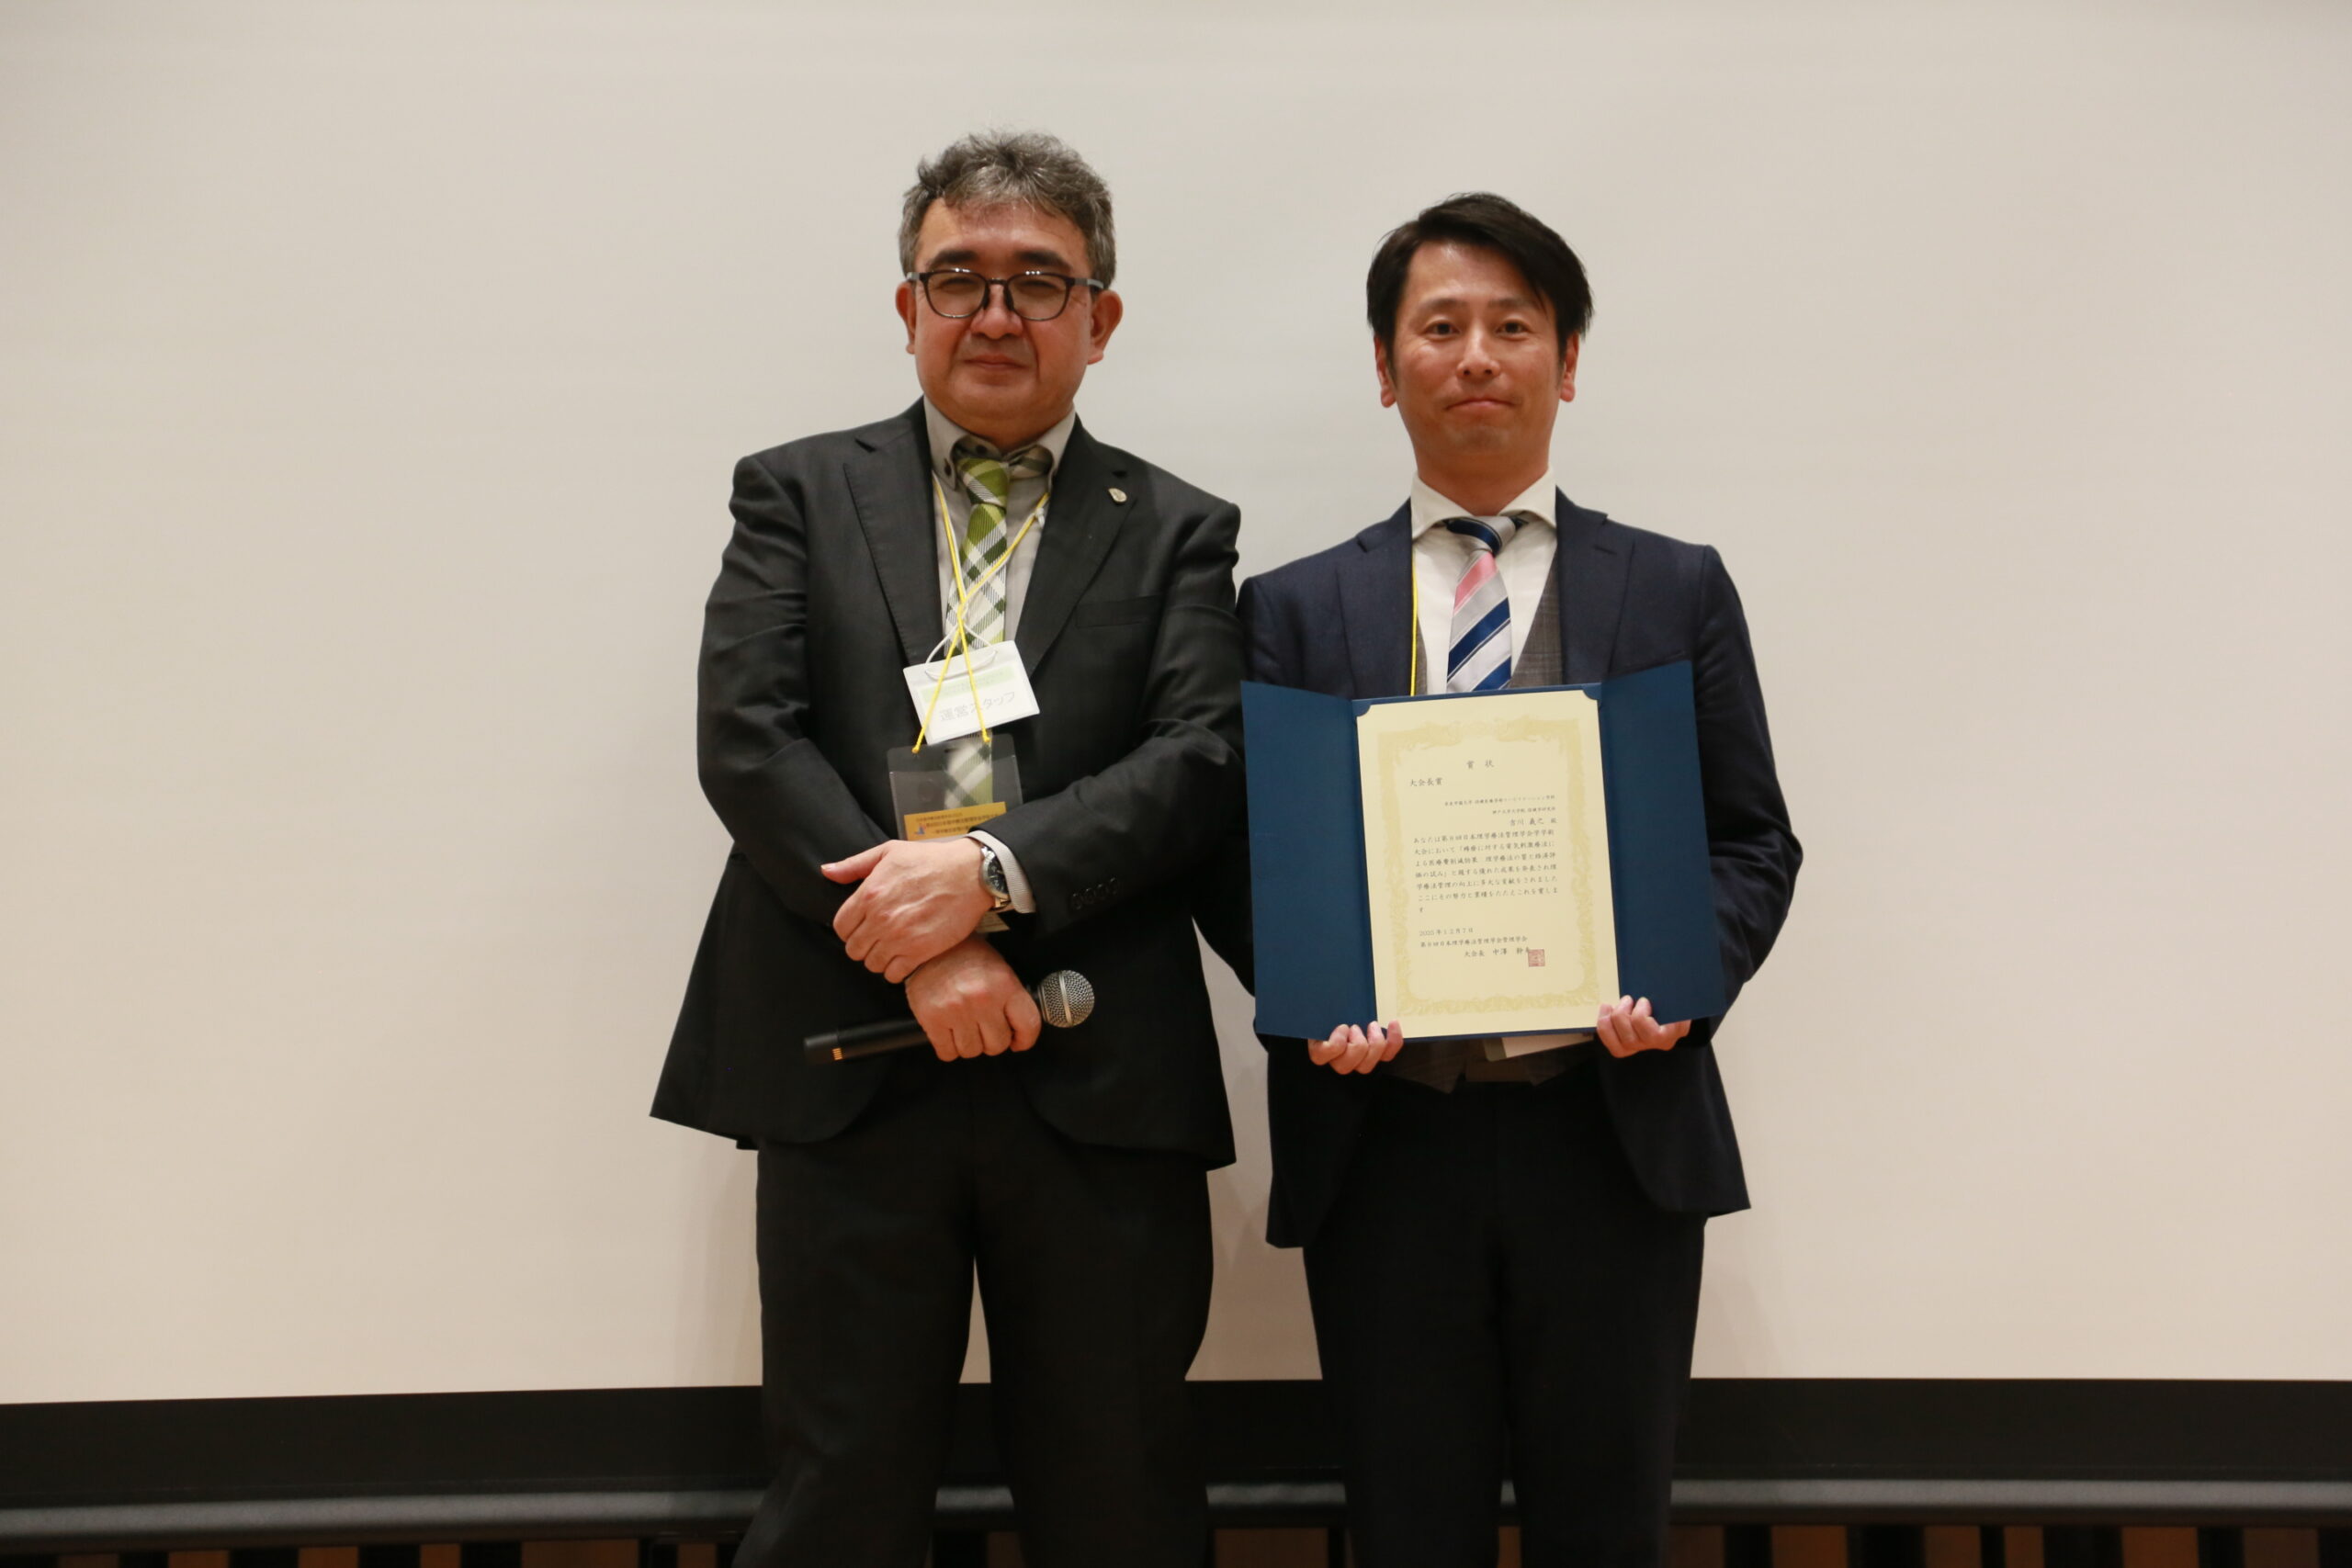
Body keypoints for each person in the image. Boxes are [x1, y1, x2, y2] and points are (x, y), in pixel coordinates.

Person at [652, 131, 1244, 1568]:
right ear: (906, 306)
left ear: (1101, 317)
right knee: (839, 1492)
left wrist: (982, 883)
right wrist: (922, 951)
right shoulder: (796, 492)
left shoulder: (1178, 529)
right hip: (849, 1057)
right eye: (957, 277)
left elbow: (1198, 758)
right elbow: (749, 738)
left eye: (1039, 280)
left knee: (1119, 1493)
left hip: (1096, 1072)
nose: (995, 312)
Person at [1229, 194, 1802, 1567]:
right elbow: (1245, 859)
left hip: (1610, 1137)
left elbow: (1751, 840)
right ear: (1387, 369)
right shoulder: (1292, 608)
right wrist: (1311, 991)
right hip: (1386, 1143)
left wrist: (1685, 977)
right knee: (1406, 1527)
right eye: (1440, 327)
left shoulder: (1676, 587)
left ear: (1568, 359)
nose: (1477, 355)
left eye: (1513, 325)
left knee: (1607, 1529)